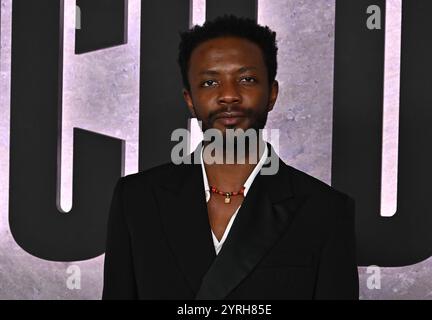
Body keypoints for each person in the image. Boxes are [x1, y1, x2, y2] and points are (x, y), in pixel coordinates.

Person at [102, 15, 359, 300]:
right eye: (210, 82)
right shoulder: (136, 200)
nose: (228, 96)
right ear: (190, 100)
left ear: (272, 93)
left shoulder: (325, 211)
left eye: (246, 79)